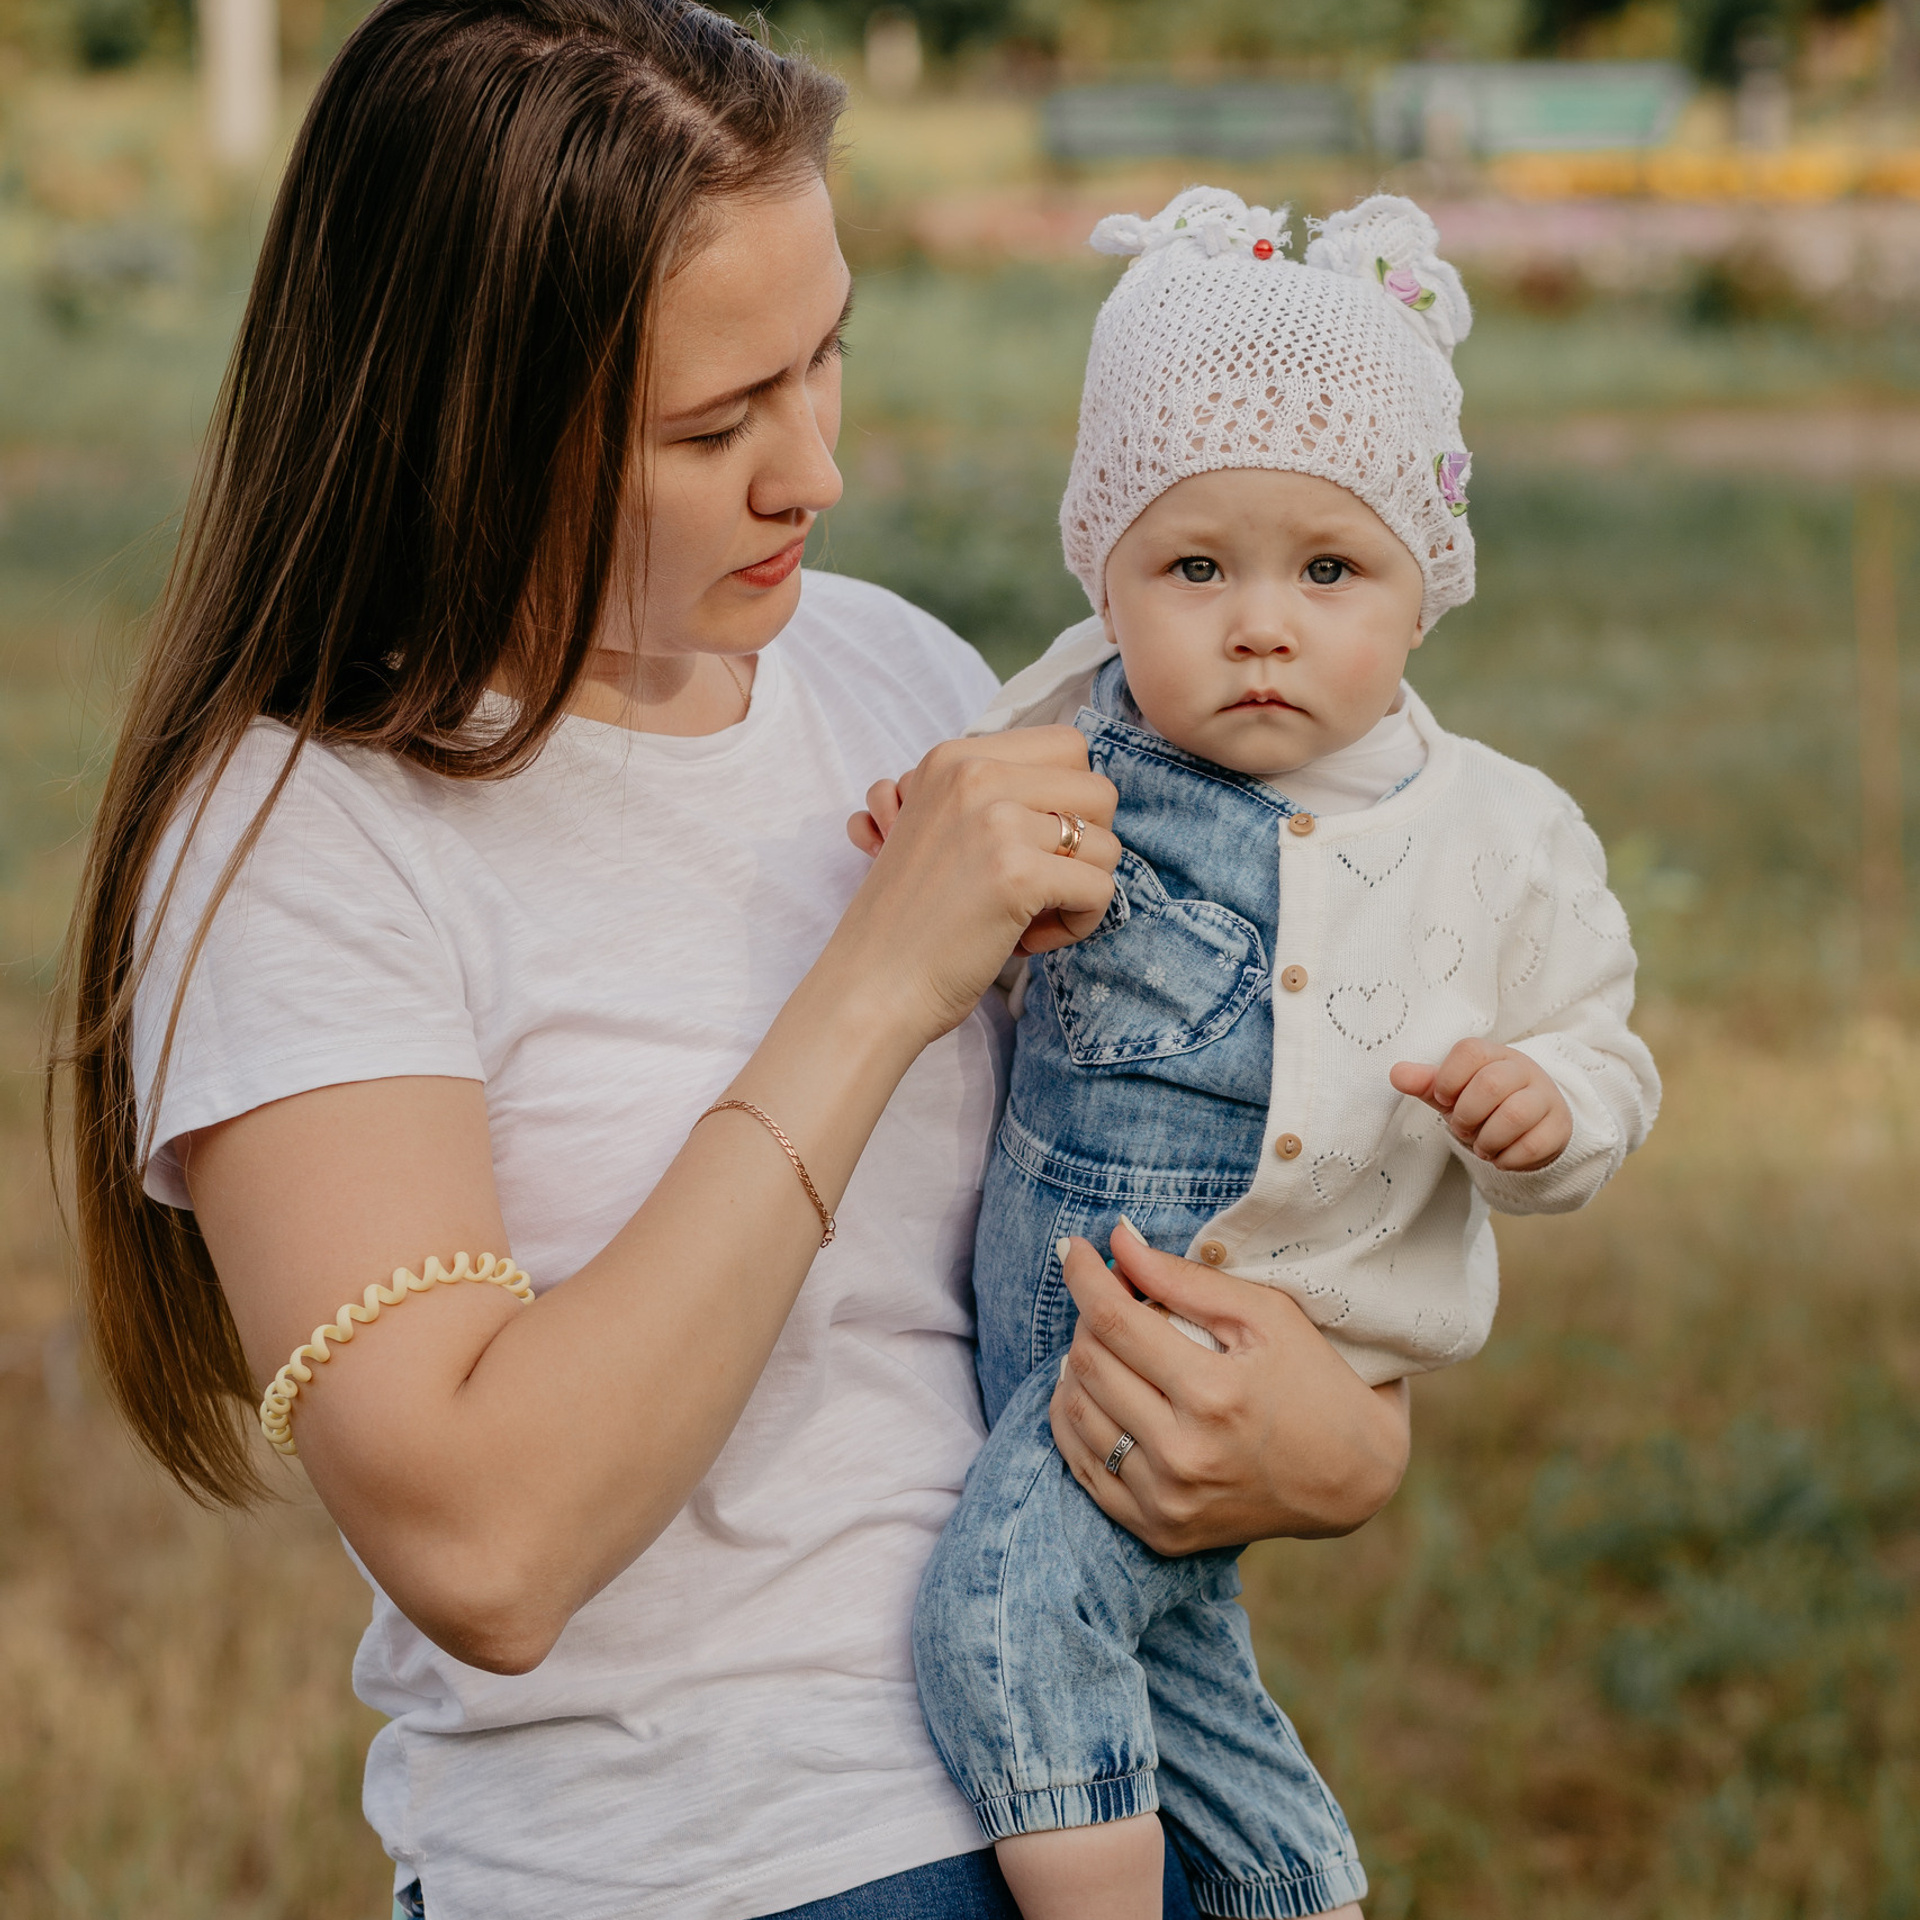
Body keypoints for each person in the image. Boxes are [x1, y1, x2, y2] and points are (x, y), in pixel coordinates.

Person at [51, 15, 1417, 1919]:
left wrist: (1334, 1446)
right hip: (719, 1871)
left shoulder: (900, 674)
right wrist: (874, 983)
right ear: (469, 420)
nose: (819, 474)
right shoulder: (303, 837)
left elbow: (1166, 1204)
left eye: (825, 356)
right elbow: (486, 1544)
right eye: (716, 425)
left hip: (1136, 1799)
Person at [855, 189, 1661, 1918]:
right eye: (1194, 566)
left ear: (1422, 589)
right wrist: (916, 829)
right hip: (1060, 1323)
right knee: (1180, 1674)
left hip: (1211, 1365)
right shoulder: (1063, 738)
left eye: (1329, 569)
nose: (1261, 624)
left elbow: (1600, 1043)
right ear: (1109, 571)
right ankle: (1293, 1886)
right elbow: (959, 867)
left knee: (1007, 1614)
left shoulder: (1496, 837)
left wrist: (1551, 1108)